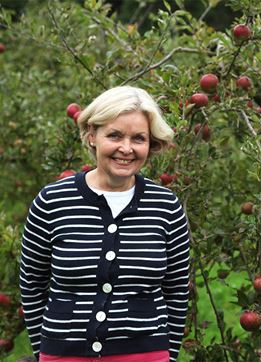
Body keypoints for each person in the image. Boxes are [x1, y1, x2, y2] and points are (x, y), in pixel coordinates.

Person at [20, 86, 190, 362]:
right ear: (92, 135)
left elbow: (176, 290)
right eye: (114, 135)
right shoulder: (52, 201)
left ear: (150, 143)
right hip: (64, 355)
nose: (126, 148)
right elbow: (32, 283)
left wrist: (168, 356)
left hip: (146, 355)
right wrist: (45, 351)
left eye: (138, 138)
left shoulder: (166, 206)